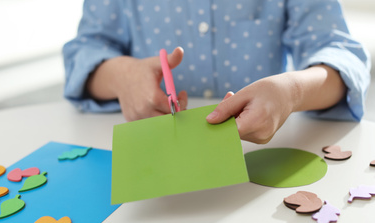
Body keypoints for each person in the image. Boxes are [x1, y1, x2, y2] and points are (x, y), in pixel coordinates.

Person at [63, 0, 371, 144]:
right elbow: (85, 51)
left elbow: (341, 55)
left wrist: (292, 92)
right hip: (149, 154)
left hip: (261, 162)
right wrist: (120, 75)